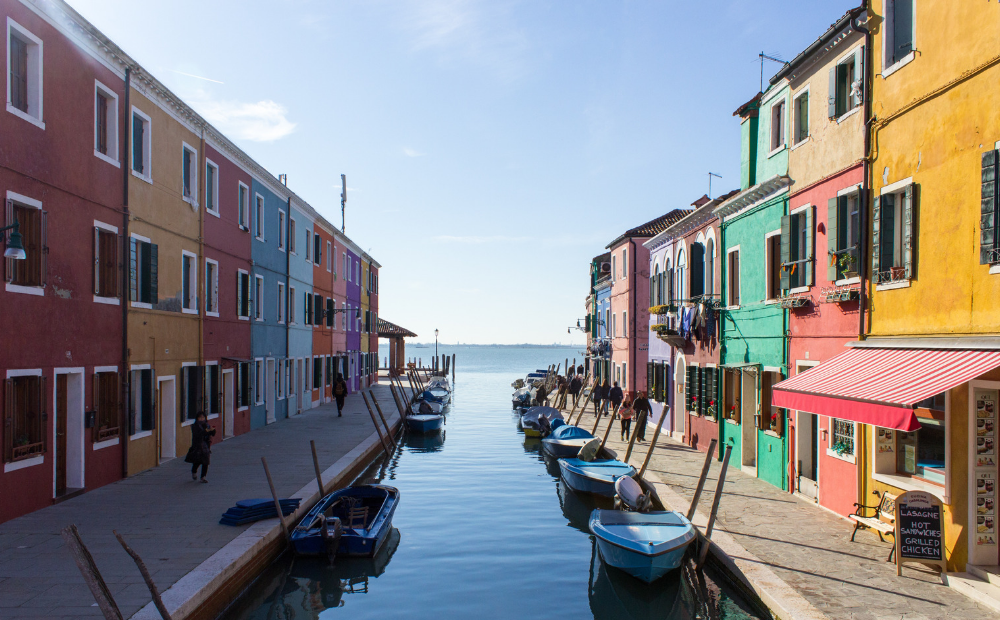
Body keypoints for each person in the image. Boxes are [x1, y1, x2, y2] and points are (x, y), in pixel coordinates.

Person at [184, 412, 216, 483]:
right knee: (197, 461)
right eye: (200, 417)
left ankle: (203, 477)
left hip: (206, 446)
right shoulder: (195, 426)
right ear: (197, 418)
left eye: (203, 417)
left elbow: (212, 434)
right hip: (197, 445)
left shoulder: (206, 425)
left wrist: (212, 430)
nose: (202, 419)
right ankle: (194, 471)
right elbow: (199, 435)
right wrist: (206, 431)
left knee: (206, 461)